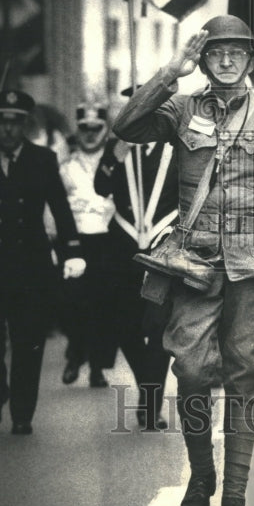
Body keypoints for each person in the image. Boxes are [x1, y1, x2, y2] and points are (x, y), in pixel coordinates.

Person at [112, 15, 254, 506]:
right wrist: (170, 71)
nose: (226, 60)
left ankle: (234, 498)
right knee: (189, 370)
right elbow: (126, 127)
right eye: (215, 52)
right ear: (204, 58)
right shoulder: (183, 106)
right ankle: (200, 474)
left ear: (250, 58)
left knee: (244, 377)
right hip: (195, 262)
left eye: (236, 52)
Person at [0, 89, 85, 435]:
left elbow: (60, 207)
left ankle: (21, 413)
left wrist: (72, 250)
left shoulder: (42, 159)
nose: (8, 130)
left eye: (15, 123)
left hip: (30, 267)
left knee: (28, 340)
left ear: (24, 126)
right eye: (1, 122)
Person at [93, 93, 178, 431]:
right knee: (124, 325)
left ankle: (150, 404)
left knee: (158, 327)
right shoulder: (118, 146)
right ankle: (148, 383)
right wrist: (113, 158)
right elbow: (101, 186)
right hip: (123, 248)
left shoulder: (177, 145)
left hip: (163, 247)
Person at [59, 103, 115, 387]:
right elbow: (54, 207)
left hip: (107, 242)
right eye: (85, 129)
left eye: (97, 129)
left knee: (103, 306)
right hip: (75, 242)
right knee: (71, 304)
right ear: (77, 130)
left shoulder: (114, 163)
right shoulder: (65, 166)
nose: (90, 134)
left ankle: (96, 367)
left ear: (105, 131)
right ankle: (75, 352)